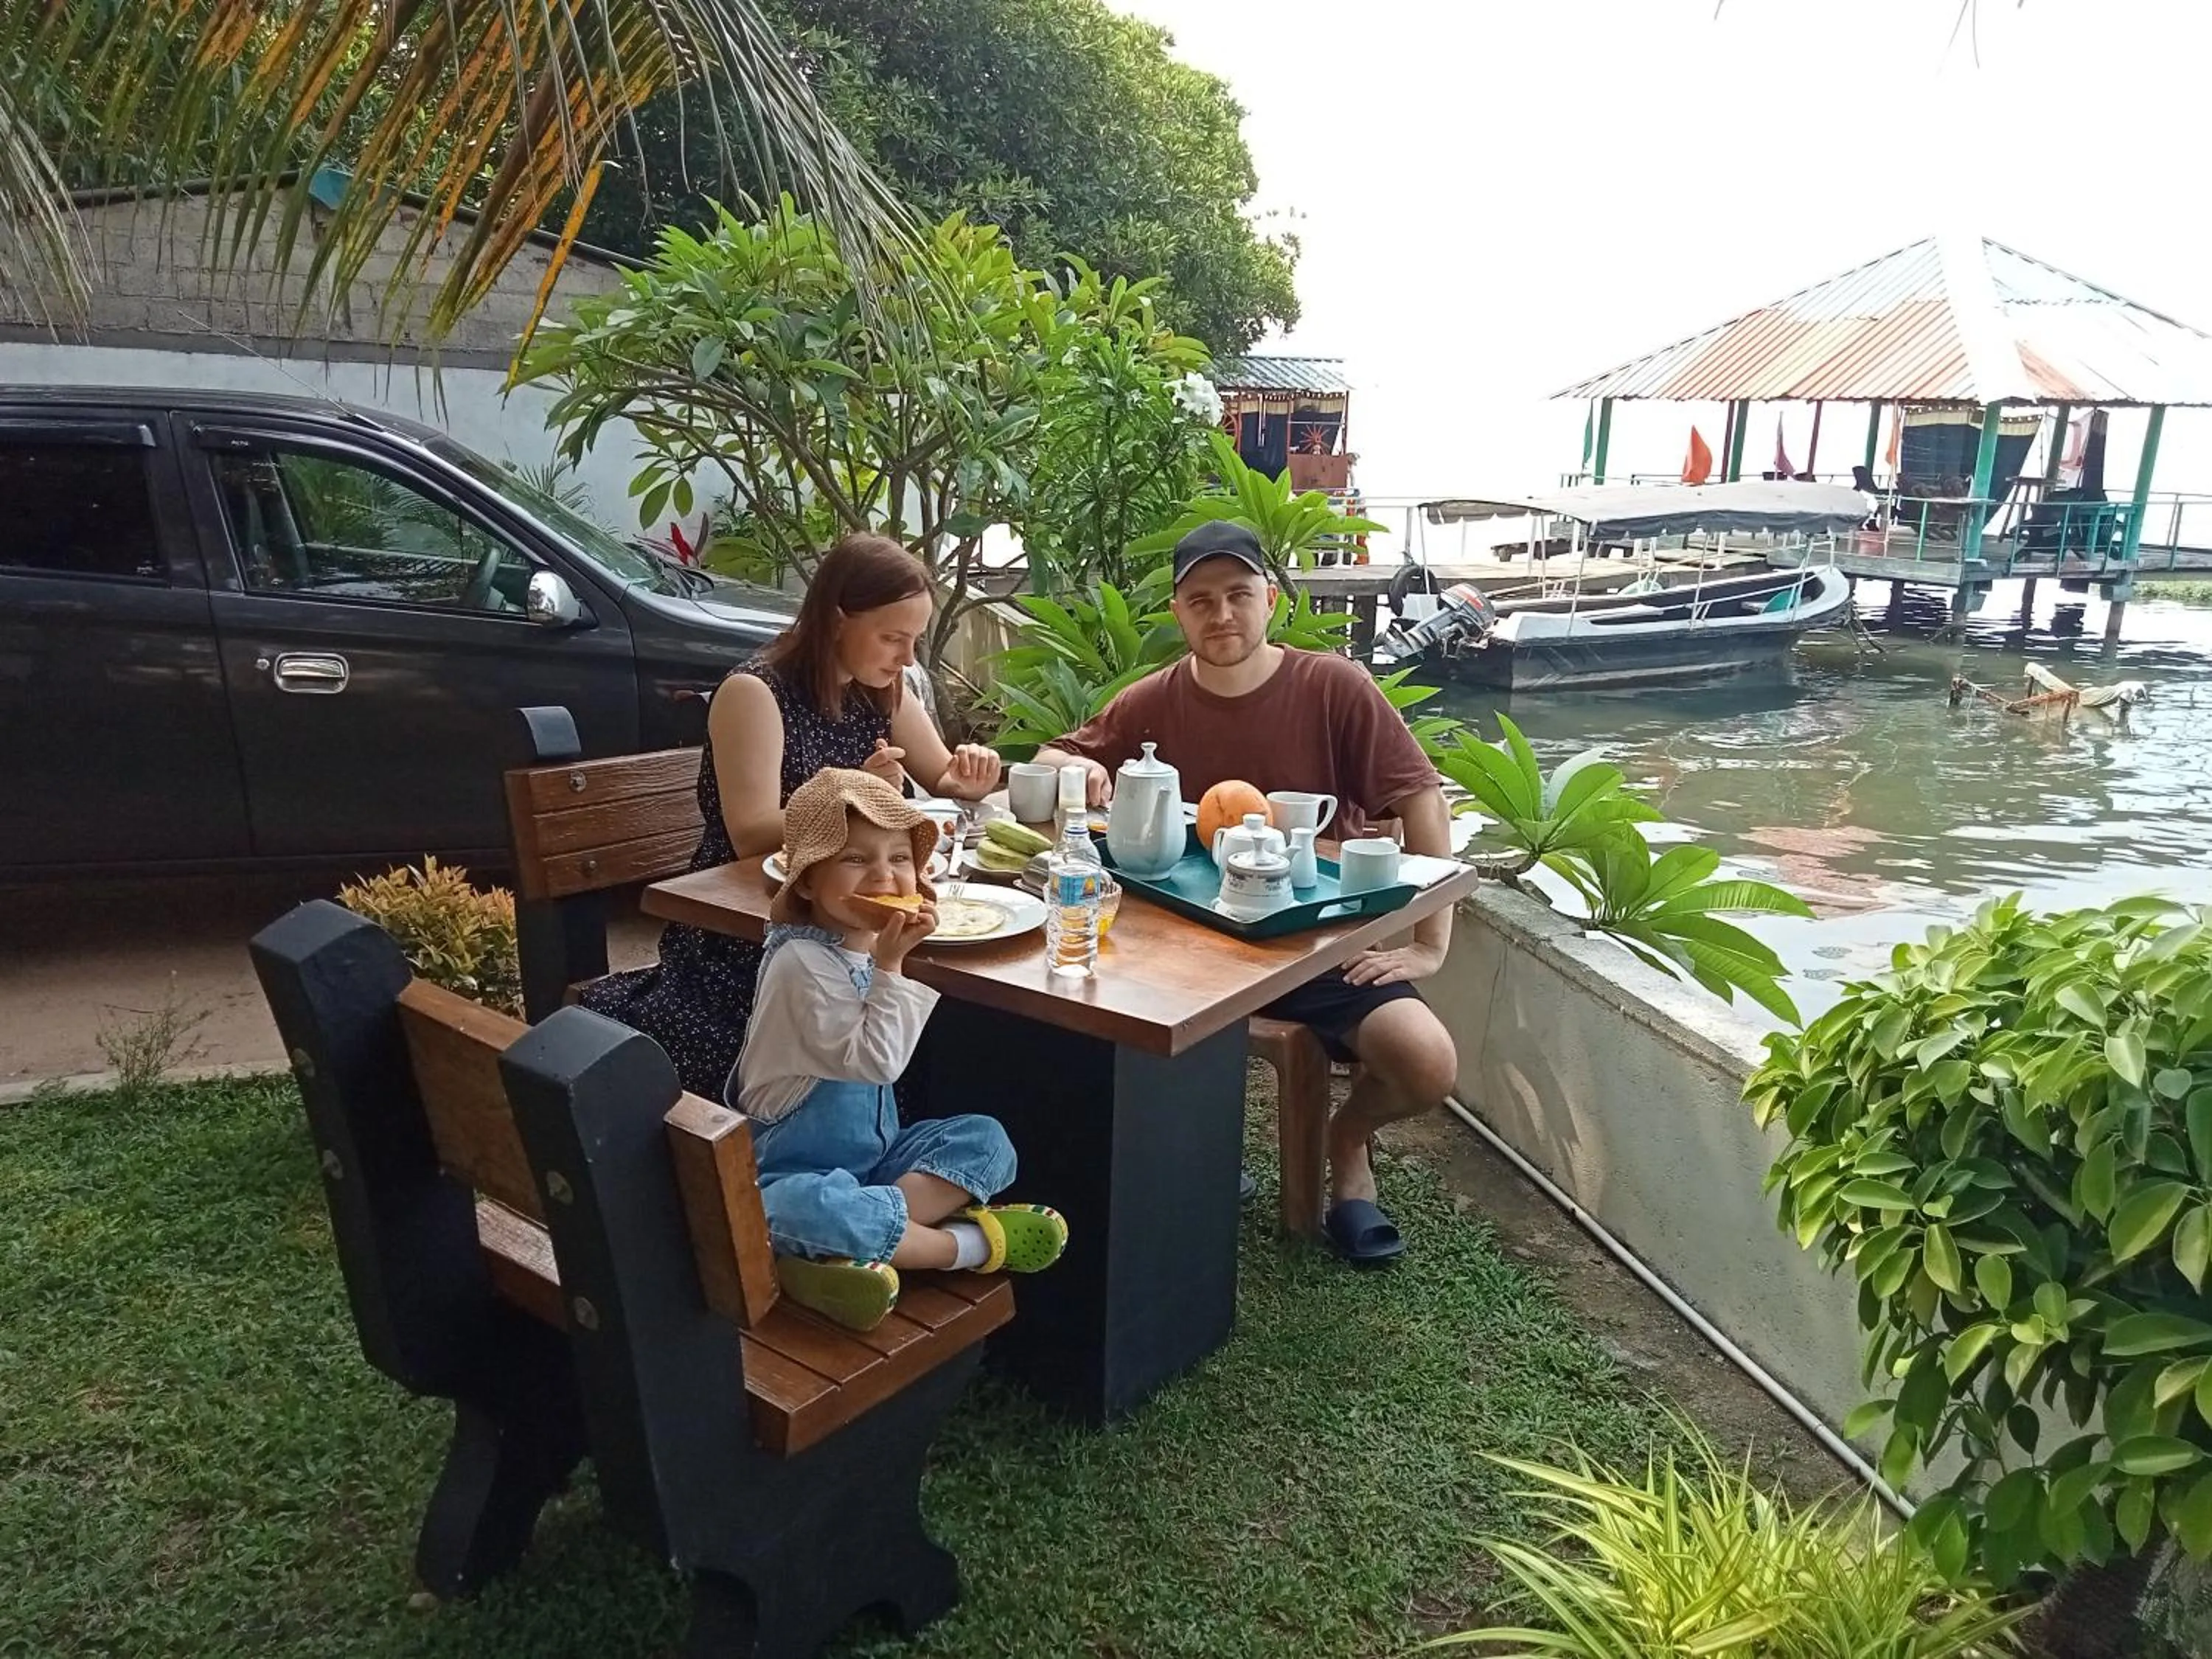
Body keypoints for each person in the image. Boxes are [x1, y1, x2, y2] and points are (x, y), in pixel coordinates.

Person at [1030, 521, 1459, 1266]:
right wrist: (1081, 771)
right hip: (1188, 953)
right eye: (1200, 600)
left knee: (1426, 1063)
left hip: (1316, 945)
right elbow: (1058, 753)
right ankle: (1188, 1158)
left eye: (1237, 594)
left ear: (1269, 598)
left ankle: (1346, 1140)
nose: (1220, 614)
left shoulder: (1332, 685)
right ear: (1177, 612)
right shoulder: (1153, 699)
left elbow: (1421, 798)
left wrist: (1428, 943)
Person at [580, 533, 1002, 1097]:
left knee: (964, 1017)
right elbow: (750, 831)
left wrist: (972, 771)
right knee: (903, 1032)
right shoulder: (755, 693)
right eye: (892, 638)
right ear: (835, 620)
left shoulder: (882, 689)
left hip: (851, 915)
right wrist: (851, 798)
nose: (906, 657)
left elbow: (942, 777)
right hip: (753, 928)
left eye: (915, 641)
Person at [734, 768, 1066, 1330]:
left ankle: (849, 1249)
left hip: (873, 1169)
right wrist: (891, 967)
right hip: (789, 1175)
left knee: (984, 1140)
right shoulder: (801, 965)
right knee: (801, 1210)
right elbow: (877, 1061)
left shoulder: (855, 945)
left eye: (899, 859)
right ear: (808, 882)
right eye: (856, 860)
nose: (884, 878)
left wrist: (885, 959)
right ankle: (958, 1248)